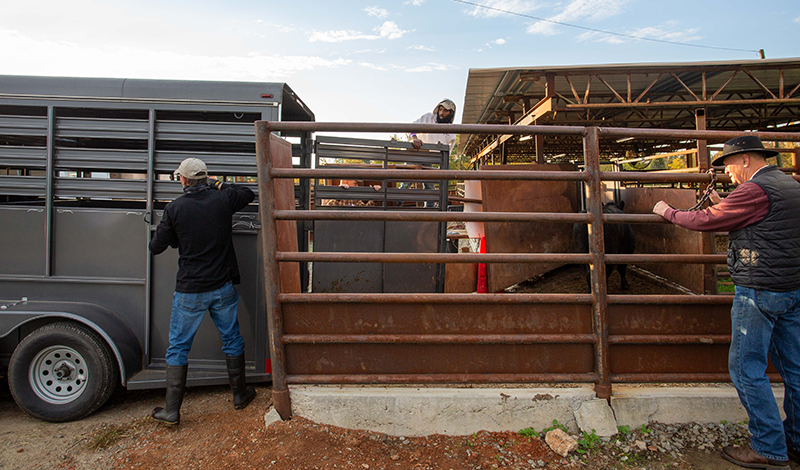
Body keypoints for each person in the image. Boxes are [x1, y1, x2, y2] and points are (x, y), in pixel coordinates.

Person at [653, 135, 800, 470]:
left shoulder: (754, 190)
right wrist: (724, 203)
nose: (729, 173)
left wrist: (669, 211)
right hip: (792, 288)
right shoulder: (789, 184)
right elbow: (762, 219)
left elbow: (706, 221)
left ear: (745, 160)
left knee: (747, 368)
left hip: (759, 291)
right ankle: (797, 442)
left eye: (729, 165)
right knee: (795, 368)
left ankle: (768, 447)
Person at [149, 157, 257, 425]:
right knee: (232, 339)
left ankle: (172, 411)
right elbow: (247, 193)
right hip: (222, 287)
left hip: (190, 290)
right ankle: (240, 395)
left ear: (183, 179)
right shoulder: (223, 200)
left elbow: (156, 247)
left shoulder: (174, 208)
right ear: (206, 178)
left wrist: (173, 232)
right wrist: (218, 185)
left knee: (178, 348)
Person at [402, 99, 457, 208]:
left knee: (430, 186)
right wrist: (414, 138)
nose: (441, 113)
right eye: (440, 109)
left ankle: (429, 213)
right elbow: (411, 127)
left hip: (430, 158)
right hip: (416, 152)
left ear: (451, 113)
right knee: (406, 181)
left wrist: (441, 168)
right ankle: (394, 207)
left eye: (445, 111)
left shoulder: (451, 132)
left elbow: (447, 153)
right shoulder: (428, 118)